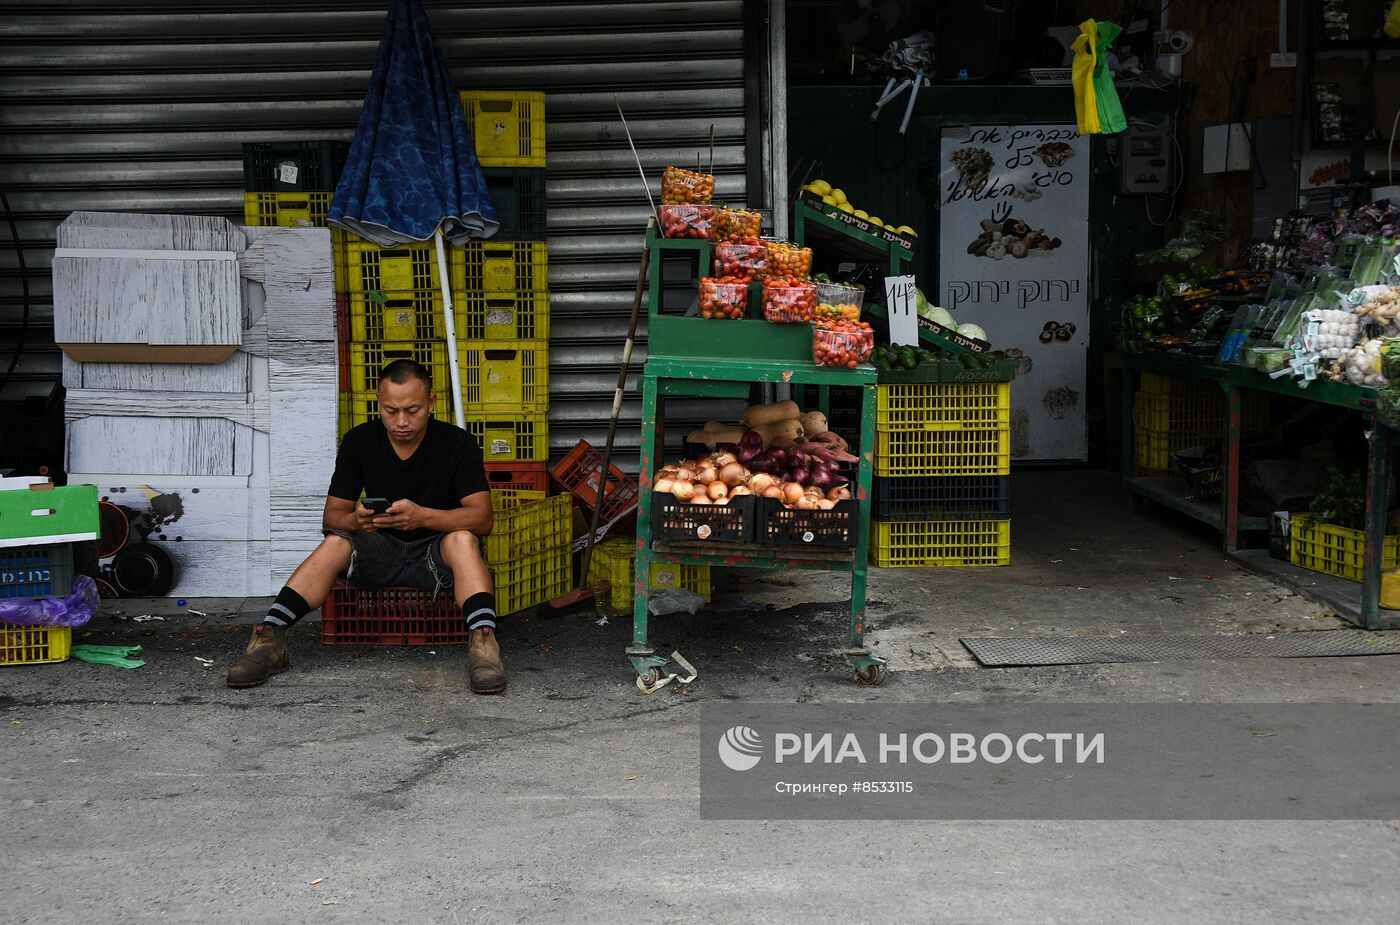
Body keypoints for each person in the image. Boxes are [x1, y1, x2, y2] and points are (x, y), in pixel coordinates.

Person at [226, 358, 506, 694]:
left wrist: (423, 516)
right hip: (378, 551)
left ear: (431, 403)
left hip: (437, 556)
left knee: (463, 539)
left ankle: (484, 645)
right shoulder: (359, 441)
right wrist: (355, 519)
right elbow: (332, 517)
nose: (401, 421)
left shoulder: (457, 443)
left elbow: (482, 519)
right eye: (390, 410)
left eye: (413, 410)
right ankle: (268, 639)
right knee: (337, 541)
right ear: (378, 402)